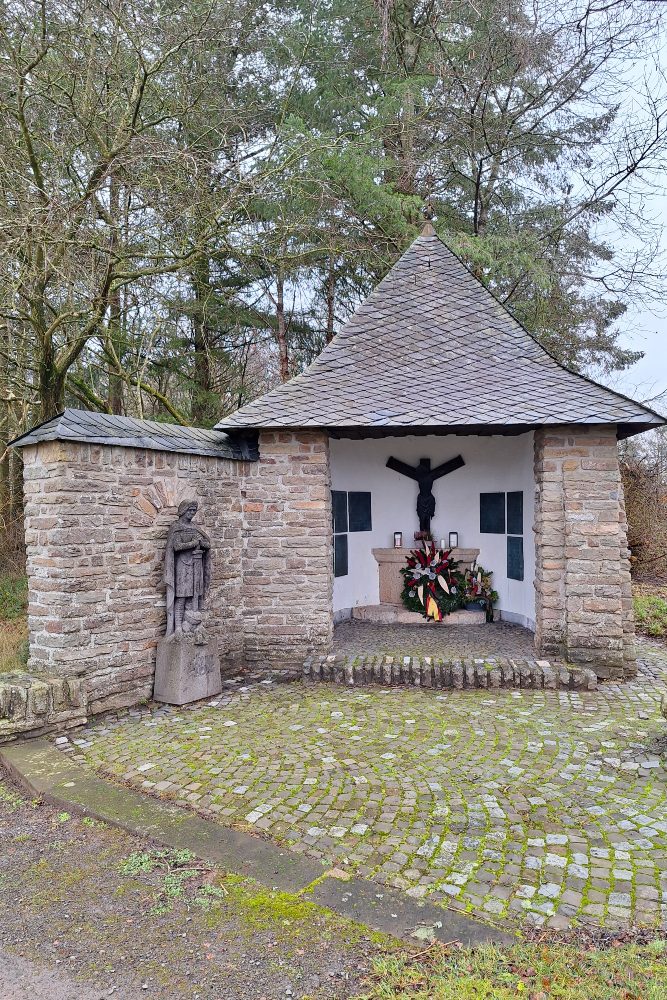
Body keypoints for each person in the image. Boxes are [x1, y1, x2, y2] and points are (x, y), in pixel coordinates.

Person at [164, 499, 211, 635]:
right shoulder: (176, 527)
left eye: (194, 511)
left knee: (194, 597)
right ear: (183, 511)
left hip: (196, 566)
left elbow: (208, 544)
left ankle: (190, 626)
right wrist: (193, 543)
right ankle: (178, 627)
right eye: (189, 510)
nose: (192, 513)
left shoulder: (195, 528)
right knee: (182, 597)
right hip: (182, 568)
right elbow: (176, 546)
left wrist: (201, 543)